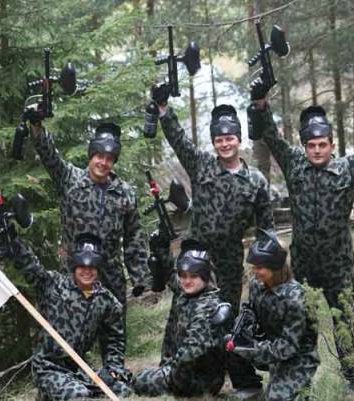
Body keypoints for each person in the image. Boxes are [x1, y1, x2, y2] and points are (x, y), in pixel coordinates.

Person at [246, 81, 354, 390]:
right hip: (303, 265)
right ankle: (299, 377)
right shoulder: (295, 165)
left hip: (338, 266)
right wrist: (261, 103)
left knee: (347, 321)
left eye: (322, 144)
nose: (317, 150)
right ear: (304, 146)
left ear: (332, 145)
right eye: (311, 145)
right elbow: (272, 138)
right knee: (301, 322)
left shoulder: (348, 168)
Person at [149, 87, 273, 395]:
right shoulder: (201, 164)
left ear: (239, 140)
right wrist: (163, 108)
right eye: (219, 139)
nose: (225, 143)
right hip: (197, 261)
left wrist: (267, 267)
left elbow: (266, 229)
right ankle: (176, 371)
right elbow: (178, 140)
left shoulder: (256, 181)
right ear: (214, 142)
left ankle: (241, 380)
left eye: (230, 138)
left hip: (230, 261)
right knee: (187, 313)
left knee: (226, 318)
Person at [30, 121, 150, 305]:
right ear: (91, 155)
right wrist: (36, 127)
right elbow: (50, 157)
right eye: (99, 156)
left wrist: (140, 278)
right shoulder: (70, 179)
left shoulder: (125, 193)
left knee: (112, 323)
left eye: (109, 159)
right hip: (74, 277)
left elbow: (134, 237)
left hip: (110, 279)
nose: (103, 163)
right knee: (72, 322)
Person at [10, 233, 130, 400]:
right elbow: (30, 266)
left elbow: (115, 340)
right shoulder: (53, 285)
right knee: (78, 395)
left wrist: (112, 370)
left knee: (122, 390)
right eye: (82, 267)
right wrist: (13, 241)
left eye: (92, 268)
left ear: (98, 268)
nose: (87, 271)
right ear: (74, 266)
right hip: (49, 367)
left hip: (80, 368)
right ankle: (48, 394)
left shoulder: (108, 302)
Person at [226, 230, 320, 401]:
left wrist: (251, 348)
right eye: (253, 266)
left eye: (259, 268)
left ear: (275, 266)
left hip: (297, 358)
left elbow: (288, 347)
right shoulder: (257, 284)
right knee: (227, 339)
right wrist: (243, 329)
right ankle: (250, 386)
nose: (254, 272)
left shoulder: (296, 299)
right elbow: (251, 310)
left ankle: (302, 388)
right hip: (268, 347)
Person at [131, 240, 229, 397]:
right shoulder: (189, 292)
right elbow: (170, 275)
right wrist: (161, 246)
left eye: (193, 276)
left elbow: (191, 353)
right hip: (188, 373)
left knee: (139, 382)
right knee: (141, 378)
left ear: (204, 277)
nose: (187, 281)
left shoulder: (207, 306)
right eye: (183, 276)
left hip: (200, 381)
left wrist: (169, 374)